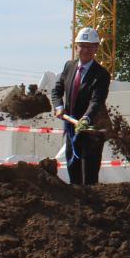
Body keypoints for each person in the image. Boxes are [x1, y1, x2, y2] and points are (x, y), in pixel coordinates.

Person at [51, 28, 111, 185]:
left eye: (90, 46)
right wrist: (58, 106)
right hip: (72, 127)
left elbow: (96, 101)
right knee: (73, 169)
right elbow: (56, 90)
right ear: (76, 47)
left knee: (90, 175)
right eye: (82, 46)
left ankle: (92, 205)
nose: (85, 50)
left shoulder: (101, 75)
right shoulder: (69, 66)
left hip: (91, 129)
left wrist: (86, 118)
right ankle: (78, 205)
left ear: (96, 49)